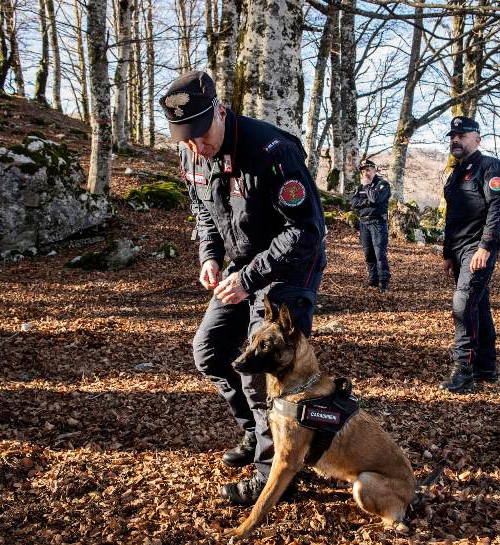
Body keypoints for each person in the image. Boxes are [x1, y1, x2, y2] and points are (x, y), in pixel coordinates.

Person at [158, 71, 327, 504]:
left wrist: (248, 278)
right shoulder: (191, 153)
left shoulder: (271, 150)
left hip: (289, 269)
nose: (198, 146)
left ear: (219, 110)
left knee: (261, 372)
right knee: (210, 352)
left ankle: (274, 475)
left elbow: (305, 231)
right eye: (186, 138)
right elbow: (202, 208)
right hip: (240, 264)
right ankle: (258, 434)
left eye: (201, 133)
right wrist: (209, 256)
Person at [440, 115, 500, 393]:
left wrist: (485, 247)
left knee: (463, 305)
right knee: (478, 306)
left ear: (477, 139)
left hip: (478, 248)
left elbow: (498, 209)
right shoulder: (454, 175)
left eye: (462, 135)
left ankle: (463, 371)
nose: (455, 140)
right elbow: (451, 218)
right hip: (457, 250)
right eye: (452, 137)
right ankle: (486, 368)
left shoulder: (490, 167)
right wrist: (447, 253)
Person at [350, 159, 391, 292]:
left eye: (368, 169)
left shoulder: (382, 184)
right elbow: (354, 203)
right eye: (363, 171)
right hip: (364, 223)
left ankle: (383, 281)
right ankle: (373, 279)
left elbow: (376, 199)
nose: (365, 173)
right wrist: (368, 202)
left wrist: (367, 188)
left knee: (380, 254)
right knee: (368, 253)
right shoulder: (359, 186)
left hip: (377, 223)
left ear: (374, 169)